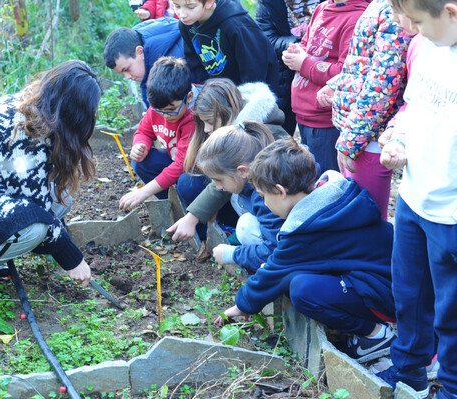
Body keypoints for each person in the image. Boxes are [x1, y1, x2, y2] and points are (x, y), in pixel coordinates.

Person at [215, 139, 397, 364]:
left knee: (303, 290)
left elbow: (274, 272)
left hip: (385, 297)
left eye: (263, 197)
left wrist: (241, 304)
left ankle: (375, 335)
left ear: (280, 191)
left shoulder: (305, 228)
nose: (264, 203)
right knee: (293, 275)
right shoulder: (333, 196)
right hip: (391, 281)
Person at [0, 60, 100, 298]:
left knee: (61, 200)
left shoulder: (31, 109)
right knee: (35, 227)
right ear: (74, 111)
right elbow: (33, 211)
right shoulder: (24, 130)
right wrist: (71, 258)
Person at [374, 0, 457, 396]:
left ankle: (451, 387)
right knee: (408, 293)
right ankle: (408, 372)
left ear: (451, 12)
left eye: (420, 21)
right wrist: (400, 138)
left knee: (451, 313)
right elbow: (415, 107)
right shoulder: (428, 48)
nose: (411, 28)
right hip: (413, 196)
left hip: (452, 213)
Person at [316, 0, 412, 220]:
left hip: (369, 137)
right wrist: (337, 83)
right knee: (355, 209)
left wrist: (351, 140)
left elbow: (384, 83)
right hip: (360, 132)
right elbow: (364, 63)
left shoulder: (392, 11)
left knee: (366, 216)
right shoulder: (380, 4)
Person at [170, 79, 286, 250]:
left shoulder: (259, 136)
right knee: (189, 183)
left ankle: (248, 241)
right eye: (203, 123)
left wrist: (193, 216)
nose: (206, 129)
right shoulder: (233, 131)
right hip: (247, 200)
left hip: (270, 208)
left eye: (210, 122)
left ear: (227, 113)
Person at [174, 121, 284, 273]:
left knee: (246, 224)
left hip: (282, 255)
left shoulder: (265, 198)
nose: (217, 186)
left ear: (243, 171)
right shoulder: (249, 181)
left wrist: (232, 254)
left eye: (219, 180)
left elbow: (276, 250)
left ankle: (258, 268)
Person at [282, 0, 368, 173]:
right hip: (303, 112)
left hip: (325, 121)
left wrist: (304, 64)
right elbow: (308, 45)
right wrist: (296, 52)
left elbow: (346, 73)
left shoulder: (357, 18)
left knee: (326, 180)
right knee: (309, 176)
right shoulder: (322, 8)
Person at [119, 57, 198, 211]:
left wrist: (144, 192)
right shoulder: (158, 109)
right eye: (158, 110)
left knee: (186, 183)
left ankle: (197, 218)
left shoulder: (192, 120)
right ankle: (174, 206)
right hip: (175, 161)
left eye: (171, 110)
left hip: (195, 172)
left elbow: (181, 166)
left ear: (188, 97)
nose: (165, 115)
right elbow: (144, 131)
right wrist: (140, 145)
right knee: (142, 162)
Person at [173, 0, 283, 103]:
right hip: (220, 95)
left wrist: (240, 101)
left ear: (209, 2)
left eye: (190, 7)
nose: (182, 14)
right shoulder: (186, 24)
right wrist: (208, 90)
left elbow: (254, 70)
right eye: (177, 6)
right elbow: (195, 62)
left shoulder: (236, 25)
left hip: (253, 94)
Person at [255, 0, 323, 135]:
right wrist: (297, 47)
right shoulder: (269, 3)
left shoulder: (328, 3)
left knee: (317, 133)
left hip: (320, 73)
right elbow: (265, 38)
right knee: (282, 130)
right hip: (283, 72)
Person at [104, 17, 184, 108]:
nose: (127, 77)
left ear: (139, 52)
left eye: (127, 69)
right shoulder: (140, 44)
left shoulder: (176, 65)